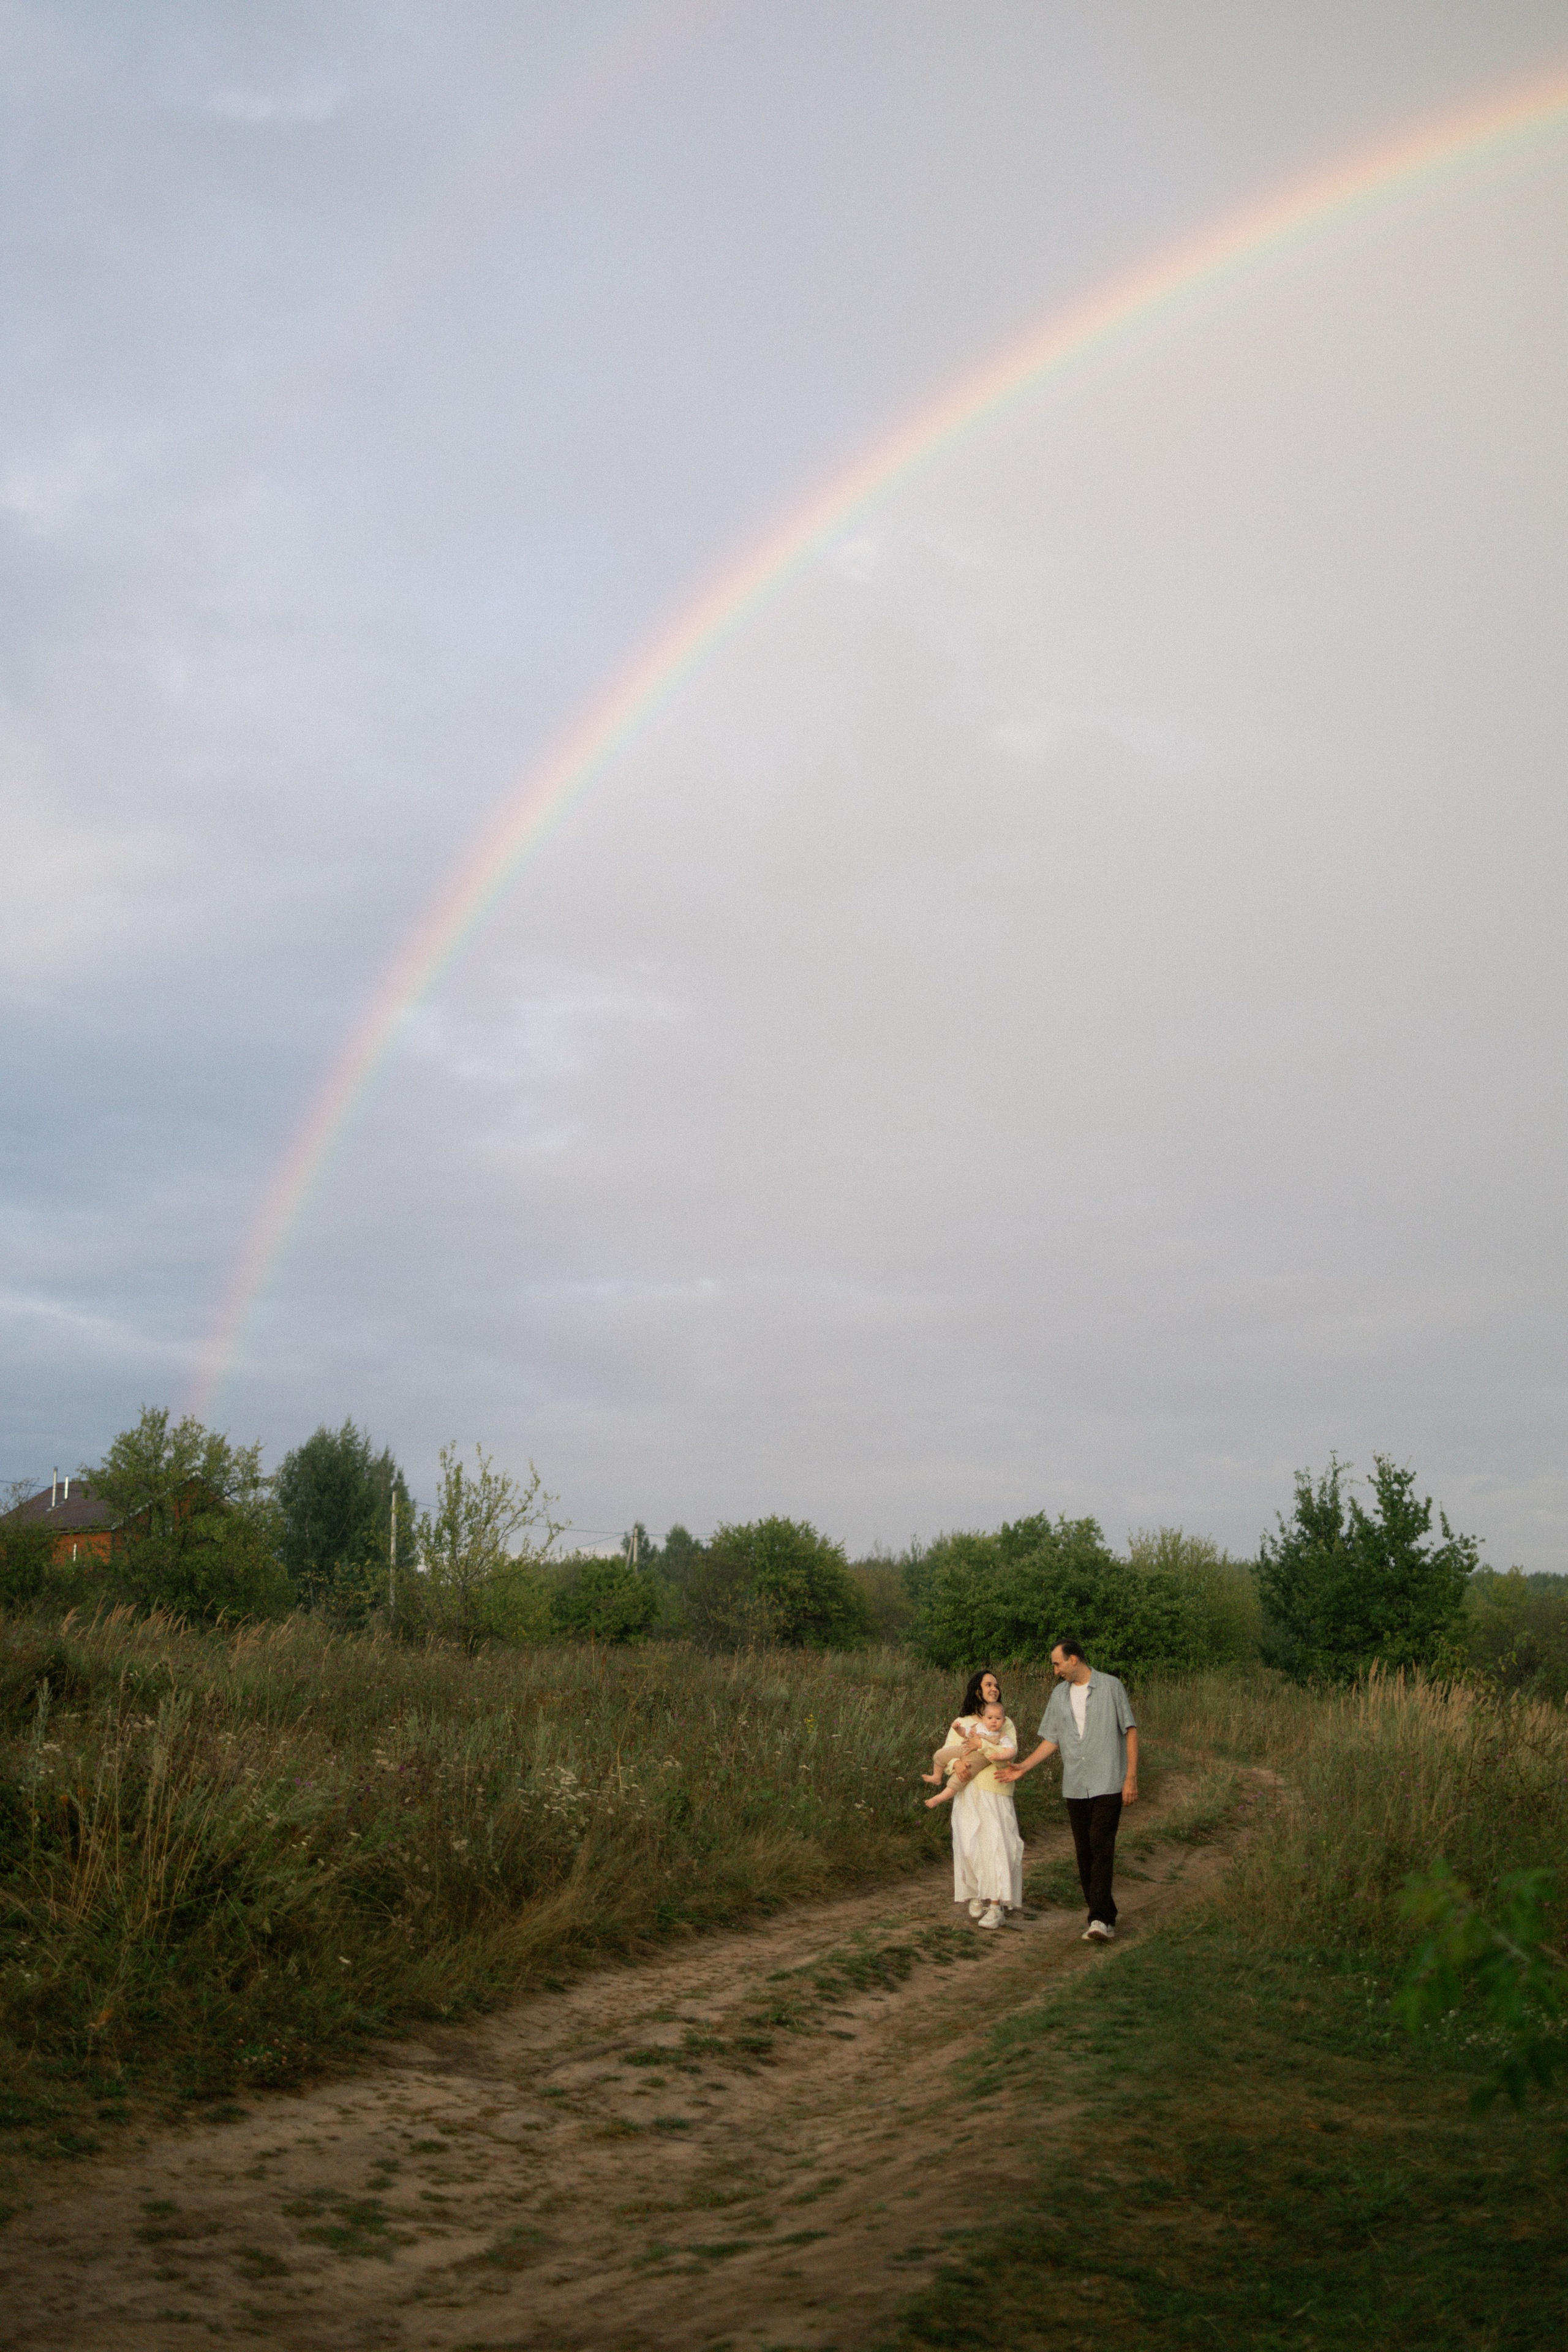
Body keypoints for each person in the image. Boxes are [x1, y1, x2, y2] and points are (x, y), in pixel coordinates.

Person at [998, 1637, 1138, 1943]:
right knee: (1084, 1851)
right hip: (1075, 1785)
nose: (1055, 1670)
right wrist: (1023, 1767)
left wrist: (1131, 1778)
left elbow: (1129, 1730)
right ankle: (1105, 1914)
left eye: (1057, 1663)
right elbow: (1053, 1739)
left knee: (1101, 1845)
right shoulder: (1059, 1696)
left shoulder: (1112, 1687)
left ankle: (1099, 1919)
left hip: (1109, 1781)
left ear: (1074, 1660)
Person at [930, 1670, 1025, 1929]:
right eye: (988, 1684)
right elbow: (949, 1755)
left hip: (995, 1791)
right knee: (969, 1845)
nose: (994, 1688)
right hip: (967, 1792)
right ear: (977, 1691)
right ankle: (975, 1894)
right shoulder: (962, 1723)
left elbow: (1005, 1756)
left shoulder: (1004, 1723)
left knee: (996, 1846)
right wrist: (957, 1763)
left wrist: (982, 1747)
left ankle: (996, 1907)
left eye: (996, 1684)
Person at [923, 1697, 1016, 1807]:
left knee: (957, 1781)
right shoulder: (978, 1727)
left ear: (1004, 1721)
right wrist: (958, 1729)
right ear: (984, 1718)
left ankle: (938, 1799)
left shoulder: (1001, 1736)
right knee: (939, 1755)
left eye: (998, 1719)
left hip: (975, 1761)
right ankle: (937, 1777)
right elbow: (965, 1733)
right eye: (990, 1718)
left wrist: (1000, 1755)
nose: (994, 1721)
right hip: (963, 1749)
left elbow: (1011, 1751)